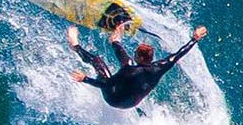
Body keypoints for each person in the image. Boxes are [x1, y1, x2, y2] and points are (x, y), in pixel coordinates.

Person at [67, 23, 208, 109]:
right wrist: (194, 39)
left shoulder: (130, 71)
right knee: (126, 62)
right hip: (132, 103)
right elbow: (179, 54)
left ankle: (75, 45)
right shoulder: (160, 67)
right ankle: (115, 40)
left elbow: (107, 85)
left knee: (97, 61)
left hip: (114, 99)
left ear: (139, 57)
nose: (134, 54)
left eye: (136, 53)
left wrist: (85, 79)